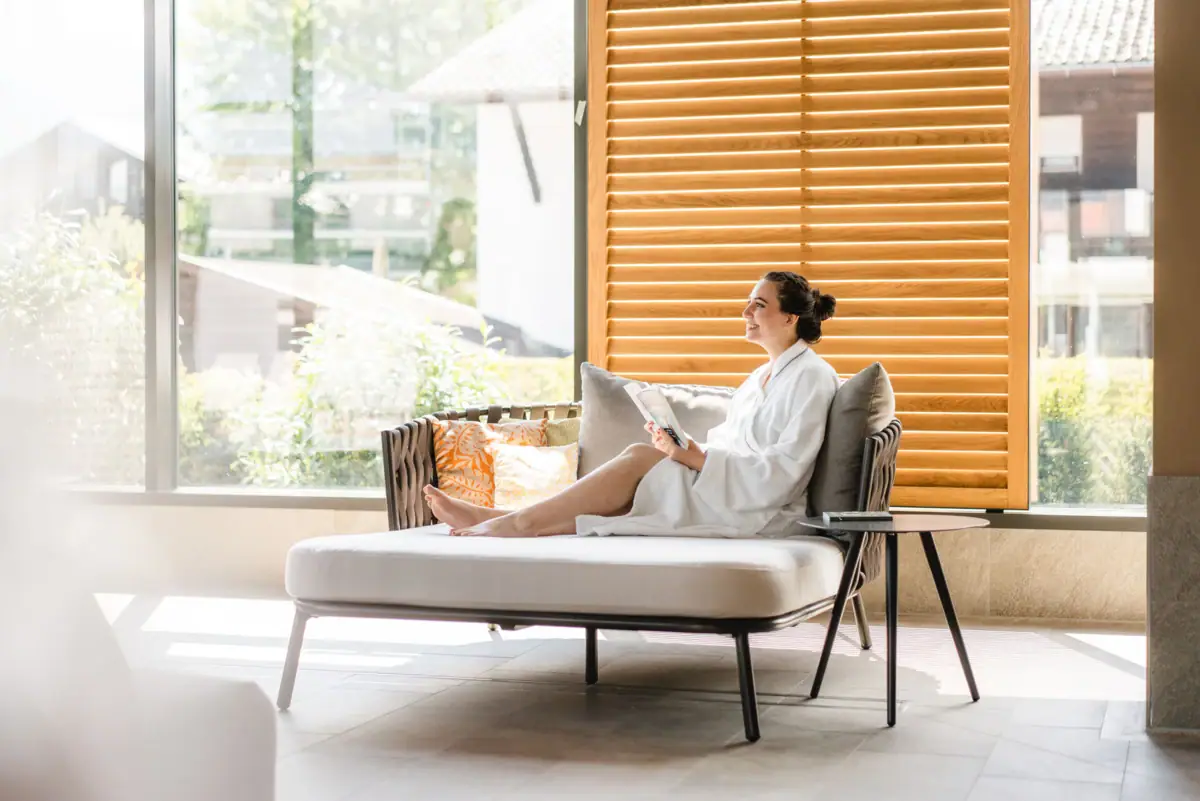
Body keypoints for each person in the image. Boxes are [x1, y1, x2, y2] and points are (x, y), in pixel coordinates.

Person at [423, 270, 840, 538]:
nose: (746, 310)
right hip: (725, 486)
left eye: (759, 305)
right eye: (749, 302)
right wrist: (687, 449)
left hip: (759, 508)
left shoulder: (812, 377)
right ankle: (501, 519)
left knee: (640, 458)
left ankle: (514, 521)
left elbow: (786, 470)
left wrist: (694, 460)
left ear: (790, 319)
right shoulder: (758, 377)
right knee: (626, 501)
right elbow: (731, 444)